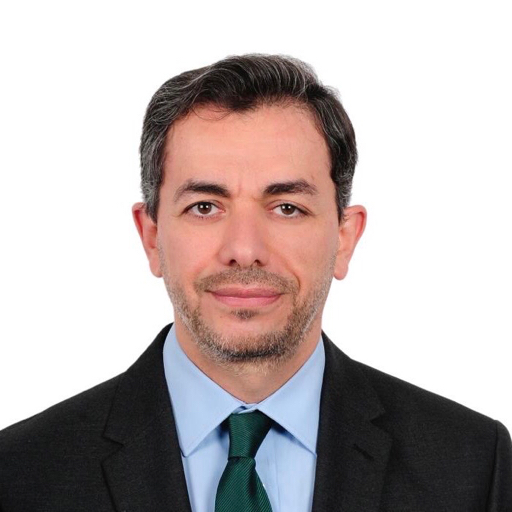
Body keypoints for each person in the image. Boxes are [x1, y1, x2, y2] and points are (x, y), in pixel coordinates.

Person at [0, 54, 510, 511]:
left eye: (287, 207)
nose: (244, 249)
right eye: (205, 206)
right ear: (151, 237)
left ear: (344, 238)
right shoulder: (20, 474)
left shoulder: (472, 465)